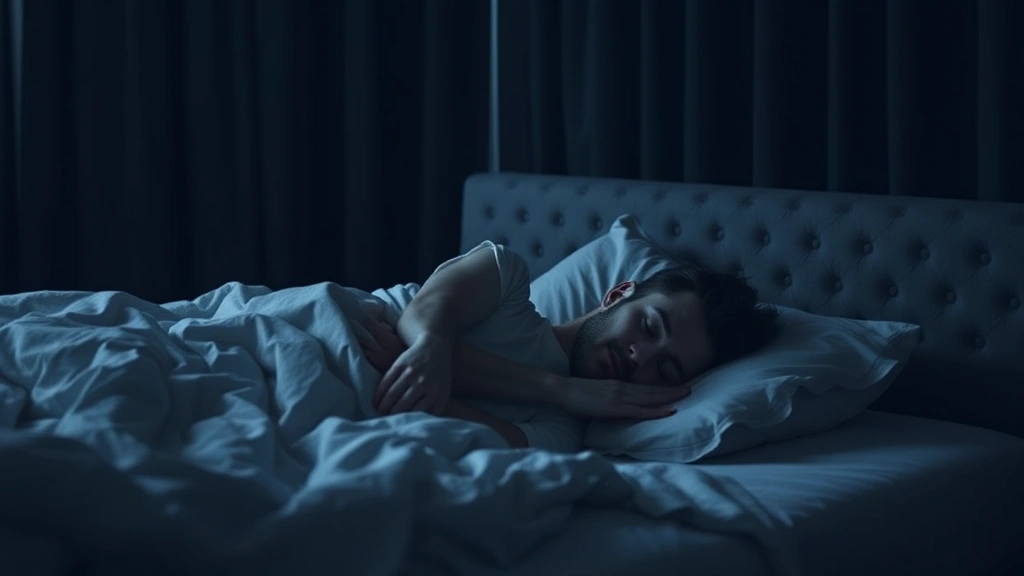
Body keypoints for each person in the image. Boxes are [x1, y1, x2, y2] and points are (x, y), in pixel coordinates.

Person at [356, 240, 779, 452]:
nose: (641, 357)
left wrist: (409, 358)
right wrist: (427, 347)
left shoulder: (561, 434)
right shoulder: (506, 277)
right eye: (649, 327)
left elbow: (441, 420)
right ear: (617, 294)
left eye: (665, 370)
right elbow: (423, 312)